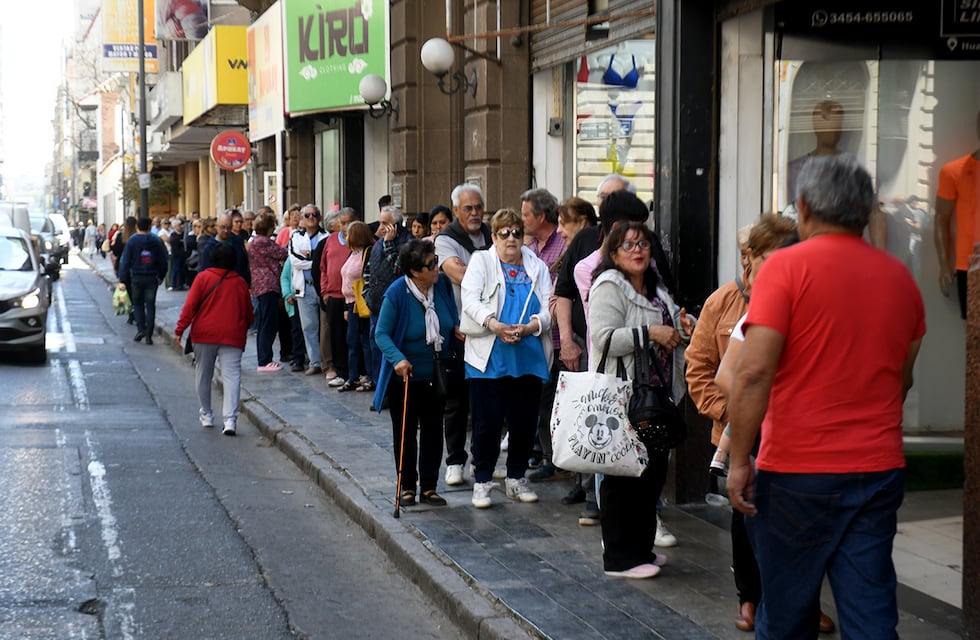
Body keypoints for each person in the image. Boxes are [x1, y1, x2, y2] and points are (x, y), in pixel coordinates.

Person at [726, 154, 925, 639]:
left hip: (798, 471)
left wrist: (737, 462)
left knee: (787, 614)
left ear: (805, 207)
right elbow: (902, 379)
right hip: (877, 468)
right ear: (864, 212)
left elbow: (752, 375)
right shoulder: (901, 279)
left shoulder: (785, 269)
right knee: (872, 613)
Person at [685, 213, 815, 633]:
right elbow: (705, 372)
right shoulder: (725, 303)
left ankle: (797, 603)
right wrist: (730, 415)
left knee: (794, 529)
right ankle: (752, 599)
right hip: (744, 428)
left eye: (755, 255)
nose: (749, 264)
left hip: (792, 435)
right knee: (749, 520)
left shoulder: (790, 300)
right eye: (747, 255)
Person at [588, 221, 694, 579]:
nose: (638, 250)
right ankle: (619, 559)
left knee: (651, 475)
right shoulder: (608, 286)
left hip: (655, 397)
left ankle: (640, 550)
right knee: (623, 477)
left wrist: (684, 326)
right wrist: (650, 333)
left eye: (643, 244)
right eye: (629, 245)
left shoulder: (655, 288)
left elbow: (672, 326)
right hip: (623, 399)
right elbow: (603, 339)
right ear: (614, 254)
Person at [461, 208, 553, 508]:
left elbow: (549, 308)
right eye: (505, 233)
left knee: (524, 421)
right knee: (487, 423)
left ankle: (516, 478)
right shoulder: (482, 262)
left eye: (517, 232)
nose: (512, 238)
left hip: (527, 353)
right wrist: (493, 324)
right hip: (490, 355)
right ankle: (483, 481)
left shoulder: (536, 265)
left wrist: (532, 326)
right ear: (494, 236)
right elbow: (470, 298)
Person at [373, 239, 459, 507]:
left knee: (434, 430)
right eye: (431, 264)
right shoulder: (397, 293)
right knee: (405, 432)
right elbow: (381, 334)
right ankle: (407, 486)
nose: (437, 268)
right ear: (413, 270)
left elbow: (451, 319)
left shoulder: (441, 285)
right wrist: (398, 359)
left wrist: (457, 330)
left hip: (437, 372)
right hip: (406, 377)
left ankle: (430, 487)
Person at [435, 184, 493, 487]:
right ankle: (455, 460)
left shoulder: (493, 233)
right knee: (456, 400)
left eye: (478, 207)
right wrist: (492, 275)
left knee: (488, 402)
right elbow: (457, 274)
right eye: (468, 208)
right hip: (460, 331)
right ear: (455, 210)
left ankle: (484, 460)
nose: (475, 213)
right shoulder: (445, 240)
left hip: (492, 331)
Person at [518, 188, 571, 485]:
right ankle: (548, 456)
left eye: (526, 214)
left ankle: (560, 460)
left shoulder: (563, 244)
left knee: (557, 402)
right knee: (541, 403)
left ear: (540, 216)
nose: (522, 219)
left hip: (560, 338)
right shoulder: (528, 247)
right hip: (535, 338)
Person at [175, 245, 254, 436]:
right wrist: (243, 325)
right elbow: (249, 313)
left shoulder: (202, 278)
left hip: (205, 334)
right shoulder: (240, 283)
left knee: (203, 374)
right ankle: (230, 420)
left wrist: (180, 329)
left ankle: (207, 414)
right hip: (232, 334)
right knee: (232, 376)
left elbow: (190, 306)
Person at [935, 109, 980, 320]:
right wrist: (944, 264)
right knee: (976, 341)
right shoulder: (954, 171)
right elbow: (941, 218)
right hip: (971, 264)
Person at [364, 205, 412, 397]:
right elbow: (368, 268)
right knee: (375, 346)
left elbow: (399, 269)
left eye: (386, 223)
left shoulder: (406, 242)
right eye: (381, 222)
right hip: (375, 304)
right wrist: (366, 292)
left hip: (394, 306)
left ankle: (391, 392)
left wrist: (389, 244)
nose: (381, 227)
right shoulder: (379, 242)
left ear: (396, 224)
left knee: (391, 348)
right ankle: (380, 390)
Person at [288, 204, 328, 375]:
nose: (311, 217)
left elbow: (327, 263)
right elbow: (295, 260)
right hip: (304, 288)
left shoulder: (327, 237)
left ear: (319, 217)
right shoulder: (295, 237)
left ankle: (328, 362)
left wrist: (310, 256)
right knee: (308, 327)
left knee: (326, 328)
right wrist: (316, 260)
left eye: (315, 214)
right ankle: (315, 361)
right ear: (302, 219)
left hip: (323, 288)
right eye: (307, 215)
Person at [337, 221, 375, 392]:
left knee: (365, 341)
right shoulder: (352, 253)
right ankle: (353, 377)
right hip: (350, 303)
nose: (345, 237)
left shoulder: (367, 252)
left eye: (348, 234)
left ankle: (370, 376)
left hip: (361, 304)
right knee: (352, 341)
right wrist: (346, 307)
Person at [248, 212, 289, 372]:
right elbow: (283, 253)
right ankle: (265, 360)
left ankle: (264, 359)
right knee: (268, 323)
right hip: (269, 285)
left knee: (264, 322)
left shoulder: (253, 242)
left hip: (259, 285)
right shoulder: (264, 242)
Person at [118, 217, 169, 345]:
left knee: (138, 304)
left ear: (137, 227)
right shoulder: (156, 241)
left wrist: (123, 278)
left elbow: (125, 261)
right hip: (152, 277)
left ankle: (141, 328)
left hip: (136, 276)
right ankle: (149, 335)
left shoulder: (132, 241)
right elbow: (163, 260)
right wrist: (161, 275)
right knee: (151, 305)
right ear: (150, 227)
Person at [319, 207, 353, 387]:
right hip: (333, 296)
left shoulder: (358, 240)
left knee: (352, 337)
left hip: (352, 298)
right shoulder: (330, 240)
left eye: (349, 222)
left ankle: (354, 372)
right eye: (343, 222)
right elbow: (323, 267)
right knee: (336, 336)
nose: (346, 226)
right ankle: (340, 371)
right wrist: (324, 291)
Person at [201, 212, 250, 285]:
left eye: (229, 228)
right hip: (218, 286)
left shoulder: (238, 241)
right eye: (222, 227)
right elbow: (206, 271)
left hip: (238, 284)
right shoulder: (209, 247)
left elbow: (243, 263)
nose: (226, 231)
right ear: (216, 226)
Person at [169, 218, 188, 291]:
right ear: (175, 226)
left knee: (181, 270)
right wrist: (181, 242)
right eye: (179, 225)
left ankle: (181, 284)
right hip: (177, 255)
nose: (181, 226)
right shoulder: (174, 235)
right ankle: (174, 284)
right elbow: (175, 244)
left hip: (182, 255)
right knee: (176, 269)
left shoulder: (182, 234)